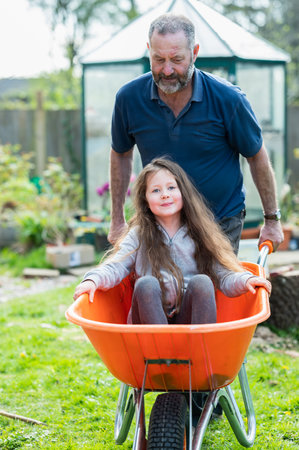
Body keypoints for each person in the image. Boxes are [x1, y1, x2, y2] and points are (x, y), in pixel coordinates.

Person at [108, 13, 284, 253]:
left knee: (210, 289)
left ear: (195, 52)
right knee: (161, 289)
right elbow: (120, 153)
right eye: (158, 59)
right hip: (160, 222)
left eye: (177, 59)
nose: (167, 69)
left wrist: (272, 220)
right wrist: (117, 219)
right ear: (149, 50)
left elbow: (256, 156)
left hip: (220, 220)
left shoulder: (228, 99)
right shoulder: (129, 98)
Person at [74, 159, 271, 327]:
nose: (165, 194)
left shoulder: (200, 234)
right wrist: (93, 279)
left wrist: (245, 280)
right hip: (148, 327)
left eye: (171, 188)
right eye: (156, 190)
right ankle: (161, 363)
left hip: (188, 324)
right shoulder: (139, 234)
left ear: (183, 192)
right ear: (145, 199)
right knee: (146, 284)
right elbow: (115, 266)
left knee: (202, 282)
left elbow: (224, 273)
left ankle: (200, 357)